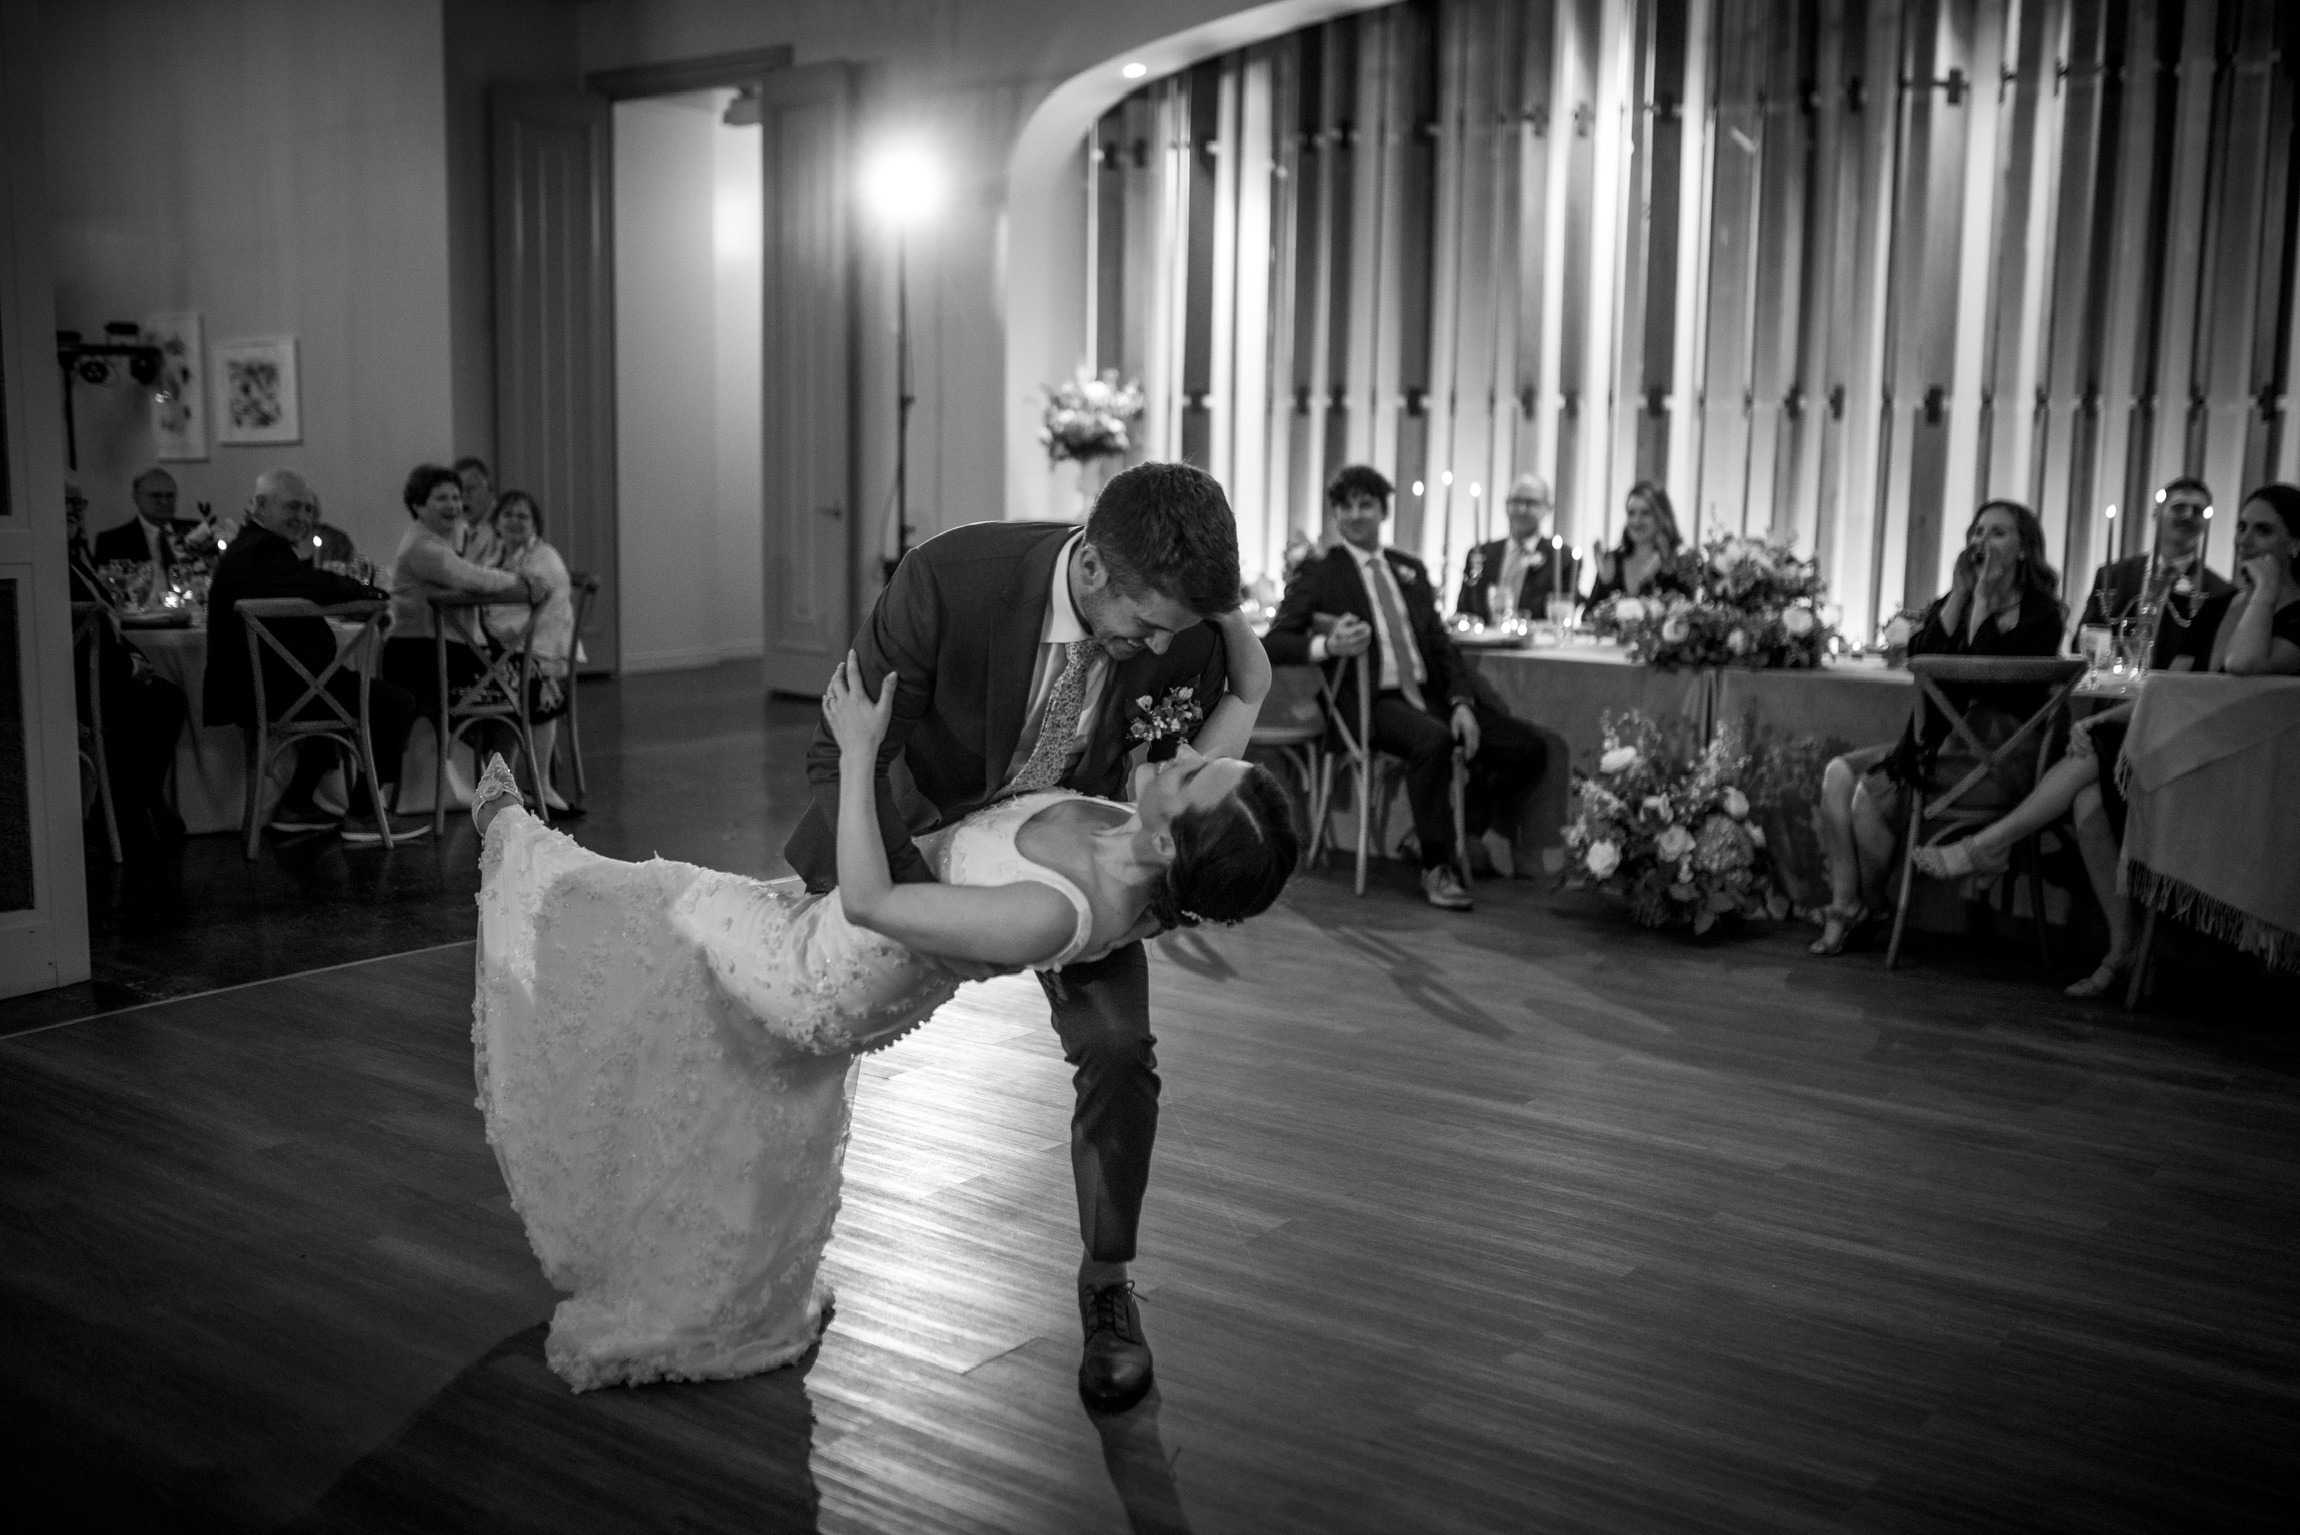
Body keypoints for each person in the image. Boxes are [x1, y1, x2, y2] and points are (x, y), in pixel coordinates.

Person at [467, 465, 1294, 1397]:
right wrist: (933, 925)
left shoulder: (1183, 633)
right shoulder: (953, 579)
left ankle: (1107, 1284)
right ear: (1095, 566)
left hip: (1086, 862)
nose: (1161, 649)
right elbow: (842, 749)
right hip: (916, 848)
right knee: (755, 1031)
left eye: (1179, 630)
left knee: (1119, 1049)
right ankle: (712, 1239)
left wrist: (1020, 913)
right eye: (1146, 625)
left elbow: (1199, 788)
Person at [1913, 485, 2300, 995]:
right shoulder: (2217, 607)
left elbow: (2242, 665)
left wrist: (2265, 591)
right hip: (2178, 755)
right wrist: (2101, 722)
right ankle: (2125, 950)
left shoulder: (2285, 613)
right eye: (2243, 527)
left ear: (2296, 543)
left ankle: (1989, 844)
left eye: (2263, 530)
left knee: (2093, 764)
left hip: (2242, 776)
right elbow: (2169, 690)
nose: (2245, 539)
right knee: (2088, 796)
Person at [1264, 464, 1547, 910]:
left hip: (1428, 696)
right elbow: (1275, 642)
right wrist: (1327, 645)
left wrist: (1460, 701)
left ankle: (1447, 830)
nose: (1355, 515)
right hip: (1369, 703)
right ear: (1335, 514)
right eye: (1345, 507)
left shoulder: (1409, 568)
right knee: (1435, 741)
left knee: (1527, 749)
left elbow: (1440, 645)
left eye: (1366, 505)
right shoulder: (1320, 571)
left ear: (1384, 511)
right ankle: (1437, 866)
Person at [1809, 499, 2067, 957]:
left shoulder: (2042, 613)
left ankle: (1869, 909)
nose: (1982, 541)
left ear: (2025, 548)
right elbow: (1922, 660)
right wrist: (1961, 595)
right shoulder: (1959, 599)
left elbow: (1977, 676)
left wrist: (1983, 599)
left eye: (1998, 533)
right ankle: (1847, 904)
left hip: (1999, 757)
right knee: (1837, 775)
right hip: (1942, 744)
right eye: (1977, 532)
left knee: (1870, 796)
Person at [205, 469, 429, 843]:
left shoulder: (252, 548)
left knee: (335, 688)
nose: (303, 518)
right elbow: (314, 584)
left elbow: (304, 584)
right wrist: (368, 591)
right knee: (395, 702)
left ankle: (296, 804)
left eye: (308, 509)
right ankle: (364, 815)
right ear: (260, 506)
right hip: (269, 691)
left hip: (269, 685)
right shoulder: (260, 551)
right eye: (293, 507)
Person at [383, 464, 538, 806]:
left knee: (521, 675)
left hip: (433, 652)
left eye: (456, 497)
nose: (453, 505)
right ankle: (499, 787)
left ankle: (494, 781)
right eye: (441, 498)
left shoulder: (436, 540)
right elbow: (474, 578)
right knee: (525, 680)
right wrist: (521, 581)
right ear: (418, 504)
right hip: (421, 658)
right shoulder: (423, 547)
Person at [66, 478, 188, 850]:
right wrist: (127, 666)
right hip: (75, 680)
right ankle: (116, 820)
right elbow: (78, 630)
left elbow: (107, 622)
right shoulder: (52, 564)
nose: (72, 511)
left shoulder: (73, 558)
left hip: (104, 666)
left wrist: (135, 658)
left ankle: (138, 804)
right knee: (150, 708)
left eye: (77, 504)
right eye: (64, 503)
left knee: (171, 698)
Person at [2075, 476, 2231, 669]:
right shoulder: (2113, 576)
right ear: (2157, 512)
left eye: (2197, 511)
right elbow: (2085, 641)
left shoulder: (2218, 592)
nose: (2188, 515)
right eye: (2179, 507)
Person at [483, 489, 576, 813]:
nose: (514, 521)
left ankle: (539, 784)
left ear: (535, 523)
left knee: (519, 682)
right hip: (509, 648)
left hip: (540, 649)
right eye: (507, 515)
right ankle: (500, 783)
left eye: (523, 516)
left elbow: (537, 611)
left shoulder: (544, 559)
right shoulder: (496, 556)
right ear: (496, 522)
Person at [1457, 473, 1582, 623]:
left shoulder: (1563, 558)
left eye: (1531, 503)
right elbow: (1464, 611)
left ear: (1548, 508)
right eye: (1516, 501)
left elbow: (1561, 613)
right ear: (1506, 505)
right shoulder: (1481, 554)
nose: (1522, 509)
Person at [1585, 480, 1689, 606]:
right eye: (1631, 513)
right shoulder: (1613, 561)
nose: (1636, 521)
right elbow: (1588, 614)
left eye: (1645, 513)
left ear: (1661, 517)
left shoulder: (1678, 565)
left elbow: (1687, 610)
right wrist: (1605, 583)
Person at [91, 467, 201, 570]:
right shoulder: (112, 542)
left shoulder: (196, 530)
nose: (164, 502)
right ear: (137, 498)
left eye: (170, 495)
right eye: (156, 495)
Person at [453, 455, 499, 567]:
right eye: (459, 490)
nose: (464, 496)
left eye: (470, 489)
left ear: (490, 489)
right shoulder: (458, 529)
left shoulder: (504, 526)